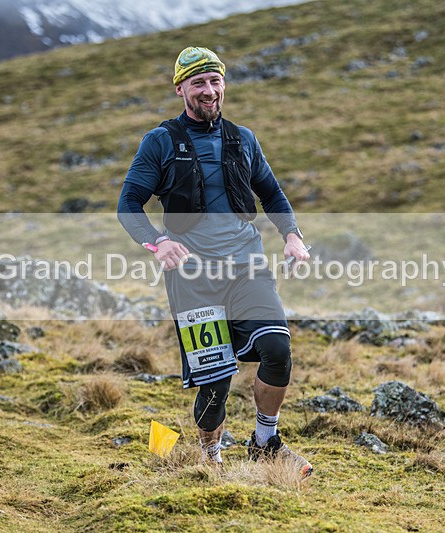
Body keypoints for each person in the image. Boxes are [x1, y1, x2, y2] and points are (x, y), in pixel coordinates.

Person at [117, 46, 312, 477]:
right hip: (192, 278)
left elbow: (272, 194)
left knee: (277, 348)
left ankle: (265, 441)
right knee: (215, 380)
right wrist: (156, 243)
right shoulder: (161, 141)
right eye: (198, 82)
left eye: (215, 80)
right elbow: (128, 204)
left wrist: (292, 235)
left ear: (223, 84)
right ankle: (210, 455)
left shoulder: (243, 139)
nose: (209, 90)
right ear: (181, 88)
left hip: (247, 268)